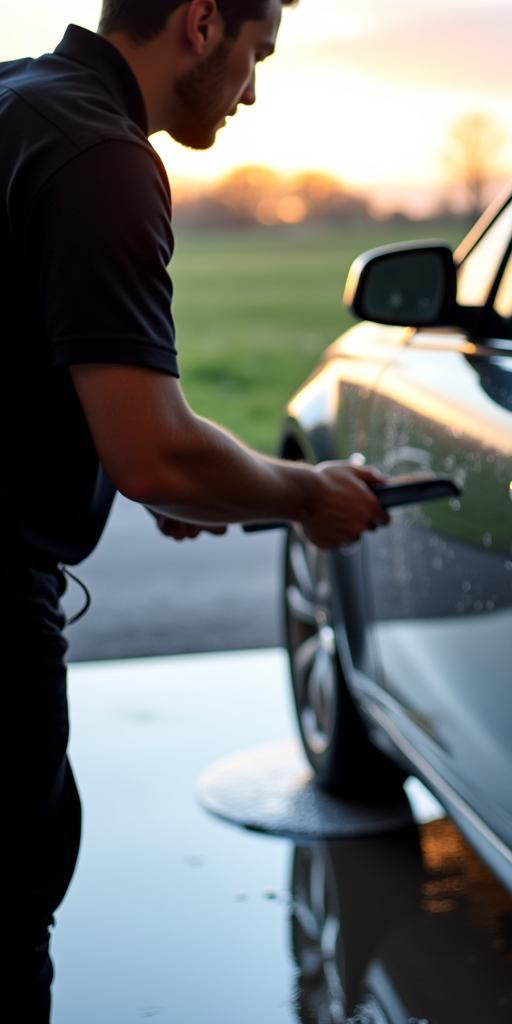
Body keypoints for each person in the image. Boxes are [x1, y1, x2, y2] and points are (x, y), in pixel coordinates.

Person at [0, 2, 389, 1017]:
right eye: (258, 55)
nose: (253, 89)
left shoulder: (17, 101)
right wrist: (307, 497)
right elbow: (158, 450)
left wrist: (149, 466)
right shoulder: (102, 157)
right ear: (203, 23)